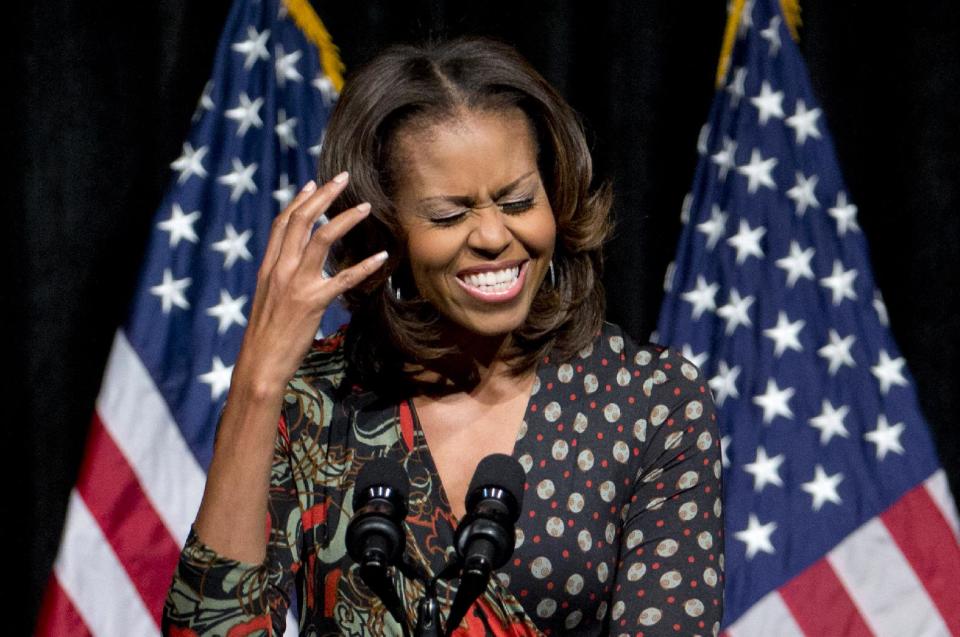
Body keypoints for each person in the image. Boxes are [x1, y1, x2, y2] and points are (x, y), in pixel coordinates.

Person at [163, 37, 723, 636]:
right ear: (386, 230)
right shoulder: (311, 403)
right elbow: (210, 631)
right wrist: (259, 381)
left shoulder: (648, 400)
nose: (491, 236)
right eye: (449, 215)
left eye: (517, 201)